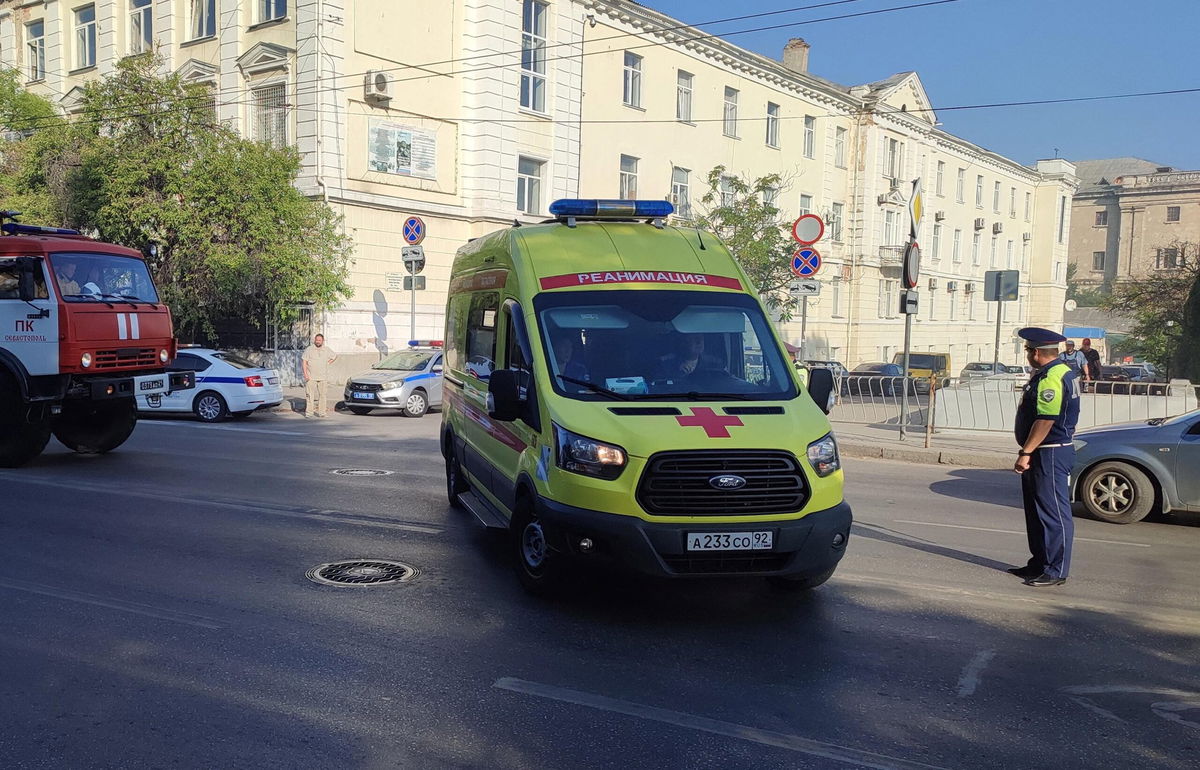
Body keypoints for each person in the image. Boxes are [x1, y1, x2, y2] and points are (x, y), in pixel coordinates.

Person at [1010, 327, 1080, 588]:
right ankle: (1039, 562)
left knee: (1053, 513)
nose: (1027, 354)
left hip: (1049, 451)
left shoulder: (1052, 377)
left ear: (1036, 352)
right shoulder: (1056, 372)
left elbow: (1046, 420)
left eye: (1028, 350)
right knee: (1036, 511)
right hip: (1045, 450)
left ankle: (1055, 570)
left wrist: (1026, 452)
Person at [302, 334, 337, 418]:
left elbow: (335, 356)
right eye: (317, 340)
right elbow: (304, 361)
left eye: (319, 340)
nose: (318, 342)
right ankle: (309, 413)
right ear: (315, 340)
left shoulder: (326, 349)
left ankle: (322, 413)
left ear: (323, 341)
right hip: (311, 376)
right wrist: (305, 374)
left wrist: (328, 363)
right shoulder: (309, 349)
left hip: (323, 377)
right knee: (310, 395)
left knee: (323, 395)